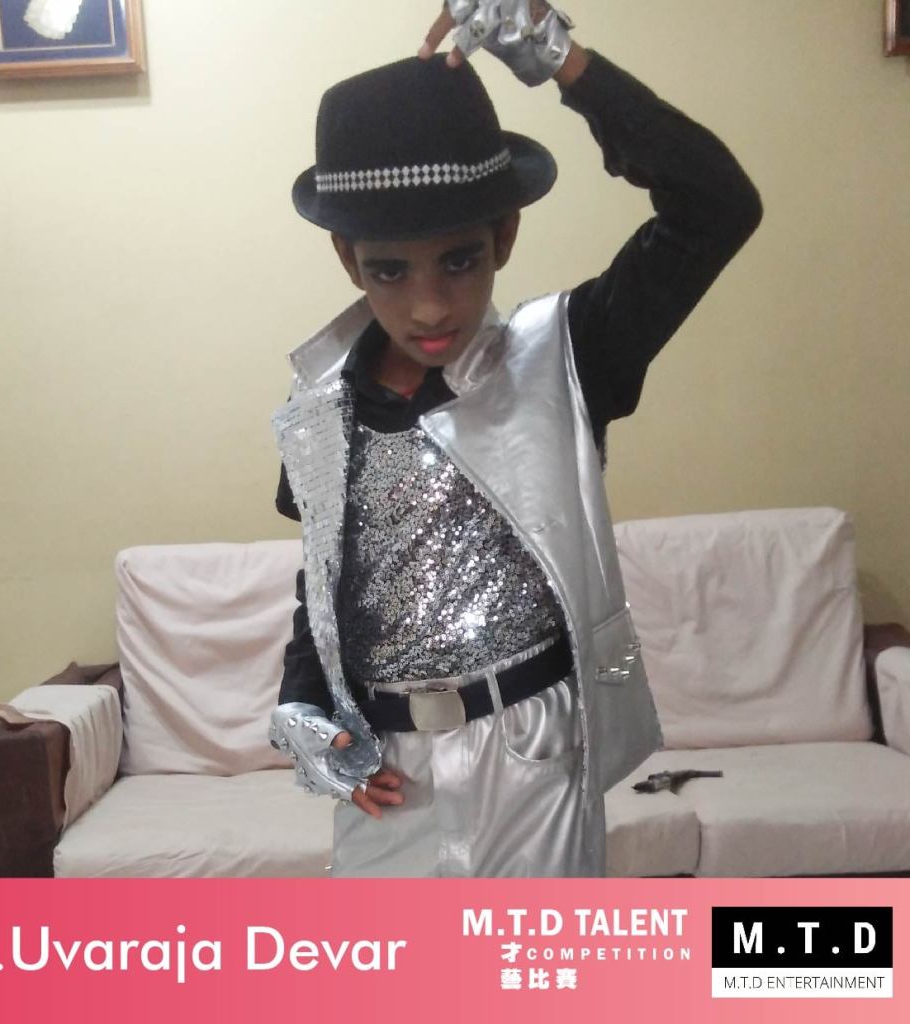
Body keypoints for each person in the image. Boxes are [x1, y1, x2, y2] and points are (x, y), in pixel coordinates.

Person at [268, 1, 762, 877]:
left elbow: (716, 203)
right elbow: (325, 581)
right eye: (390, 269)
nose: (429, 306)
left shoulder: (568, 357)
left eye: (458, 259)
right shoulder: (320, 409)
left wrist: (556, 54)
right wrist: (304, 706)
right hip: (387, 777)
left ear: (504, 235)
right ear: (349, 258)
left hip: (532, 759)